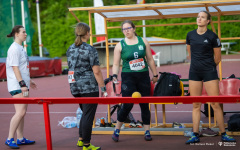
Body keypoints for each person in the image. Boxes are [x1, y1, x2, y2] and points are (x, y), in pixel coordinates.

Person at [185, 11, 236, 144]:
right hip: (194, 72)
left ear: (208, 21)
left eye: (202, 17)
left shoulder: (213, 36)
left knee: (215, 103)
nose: (199, 19)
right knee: (196, 104)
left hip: (209, 72)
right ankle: (195, 134)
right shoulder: (190, 35)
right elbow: (190, 53)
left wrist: (208, 67)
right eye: (198, 17)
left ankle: (223, 134)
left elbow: (218, 58)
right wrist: (198, 64)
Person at [111, 20, 158, 142]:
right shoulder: (120, 45)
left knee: (144, 104)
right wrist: (114, 75)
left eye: (128, 28)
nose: (126, 31)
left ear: (134, 28)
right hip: (128, 77)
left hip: (143, 76)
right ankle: (117, 130)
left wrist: (155, 74)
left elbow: (150, 59)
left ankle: (147, 131)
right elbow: (116, 63)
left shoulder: (143, 41)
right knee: (127, 105)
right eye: (124, 29)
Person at [66, 22, 107, 150]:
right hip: (88, 86)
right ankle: (87, 145)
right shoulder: (90, 49)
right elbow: (97, 71)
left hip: (74, 86)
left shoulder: (70, 49)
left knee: (85, 113)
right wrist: (103, 88)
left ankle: (80, 139)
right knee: (88, 115)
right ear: (87, 33)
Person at [5, 25, 37, 149]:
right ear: (16, 34)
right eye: (23, 32)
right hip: (17, 85)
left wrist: (29, 81)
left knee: (22, 113)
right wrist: (22, 84)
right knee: (20, 112)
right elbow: (15, 68)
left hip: (22, 83)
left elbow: (22, 68)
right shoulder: (14, 49)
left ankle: (20, 138)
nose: (25, 34)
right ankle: (9, 138)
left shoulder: (20, 48)